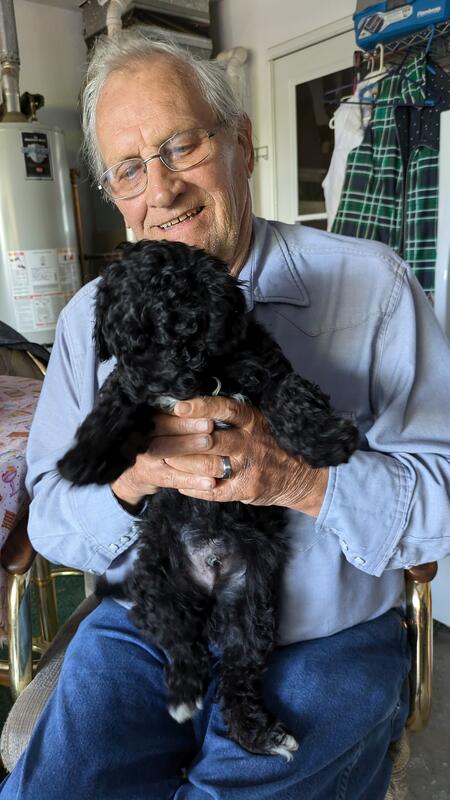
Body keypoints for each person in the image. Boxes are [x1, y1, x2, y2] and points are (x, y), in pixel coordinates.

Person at [1, 30, 450, 800]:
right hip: (144, 625)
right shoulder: (89, 318)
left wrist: (299, 479)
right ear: (113, 192)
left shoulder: (373, 287)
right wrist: (126, 484)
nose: (162, 190)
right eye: (130, 169)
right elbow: (49, 515)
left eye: (182, 146)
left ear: (242, 143)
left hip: (323, 637)